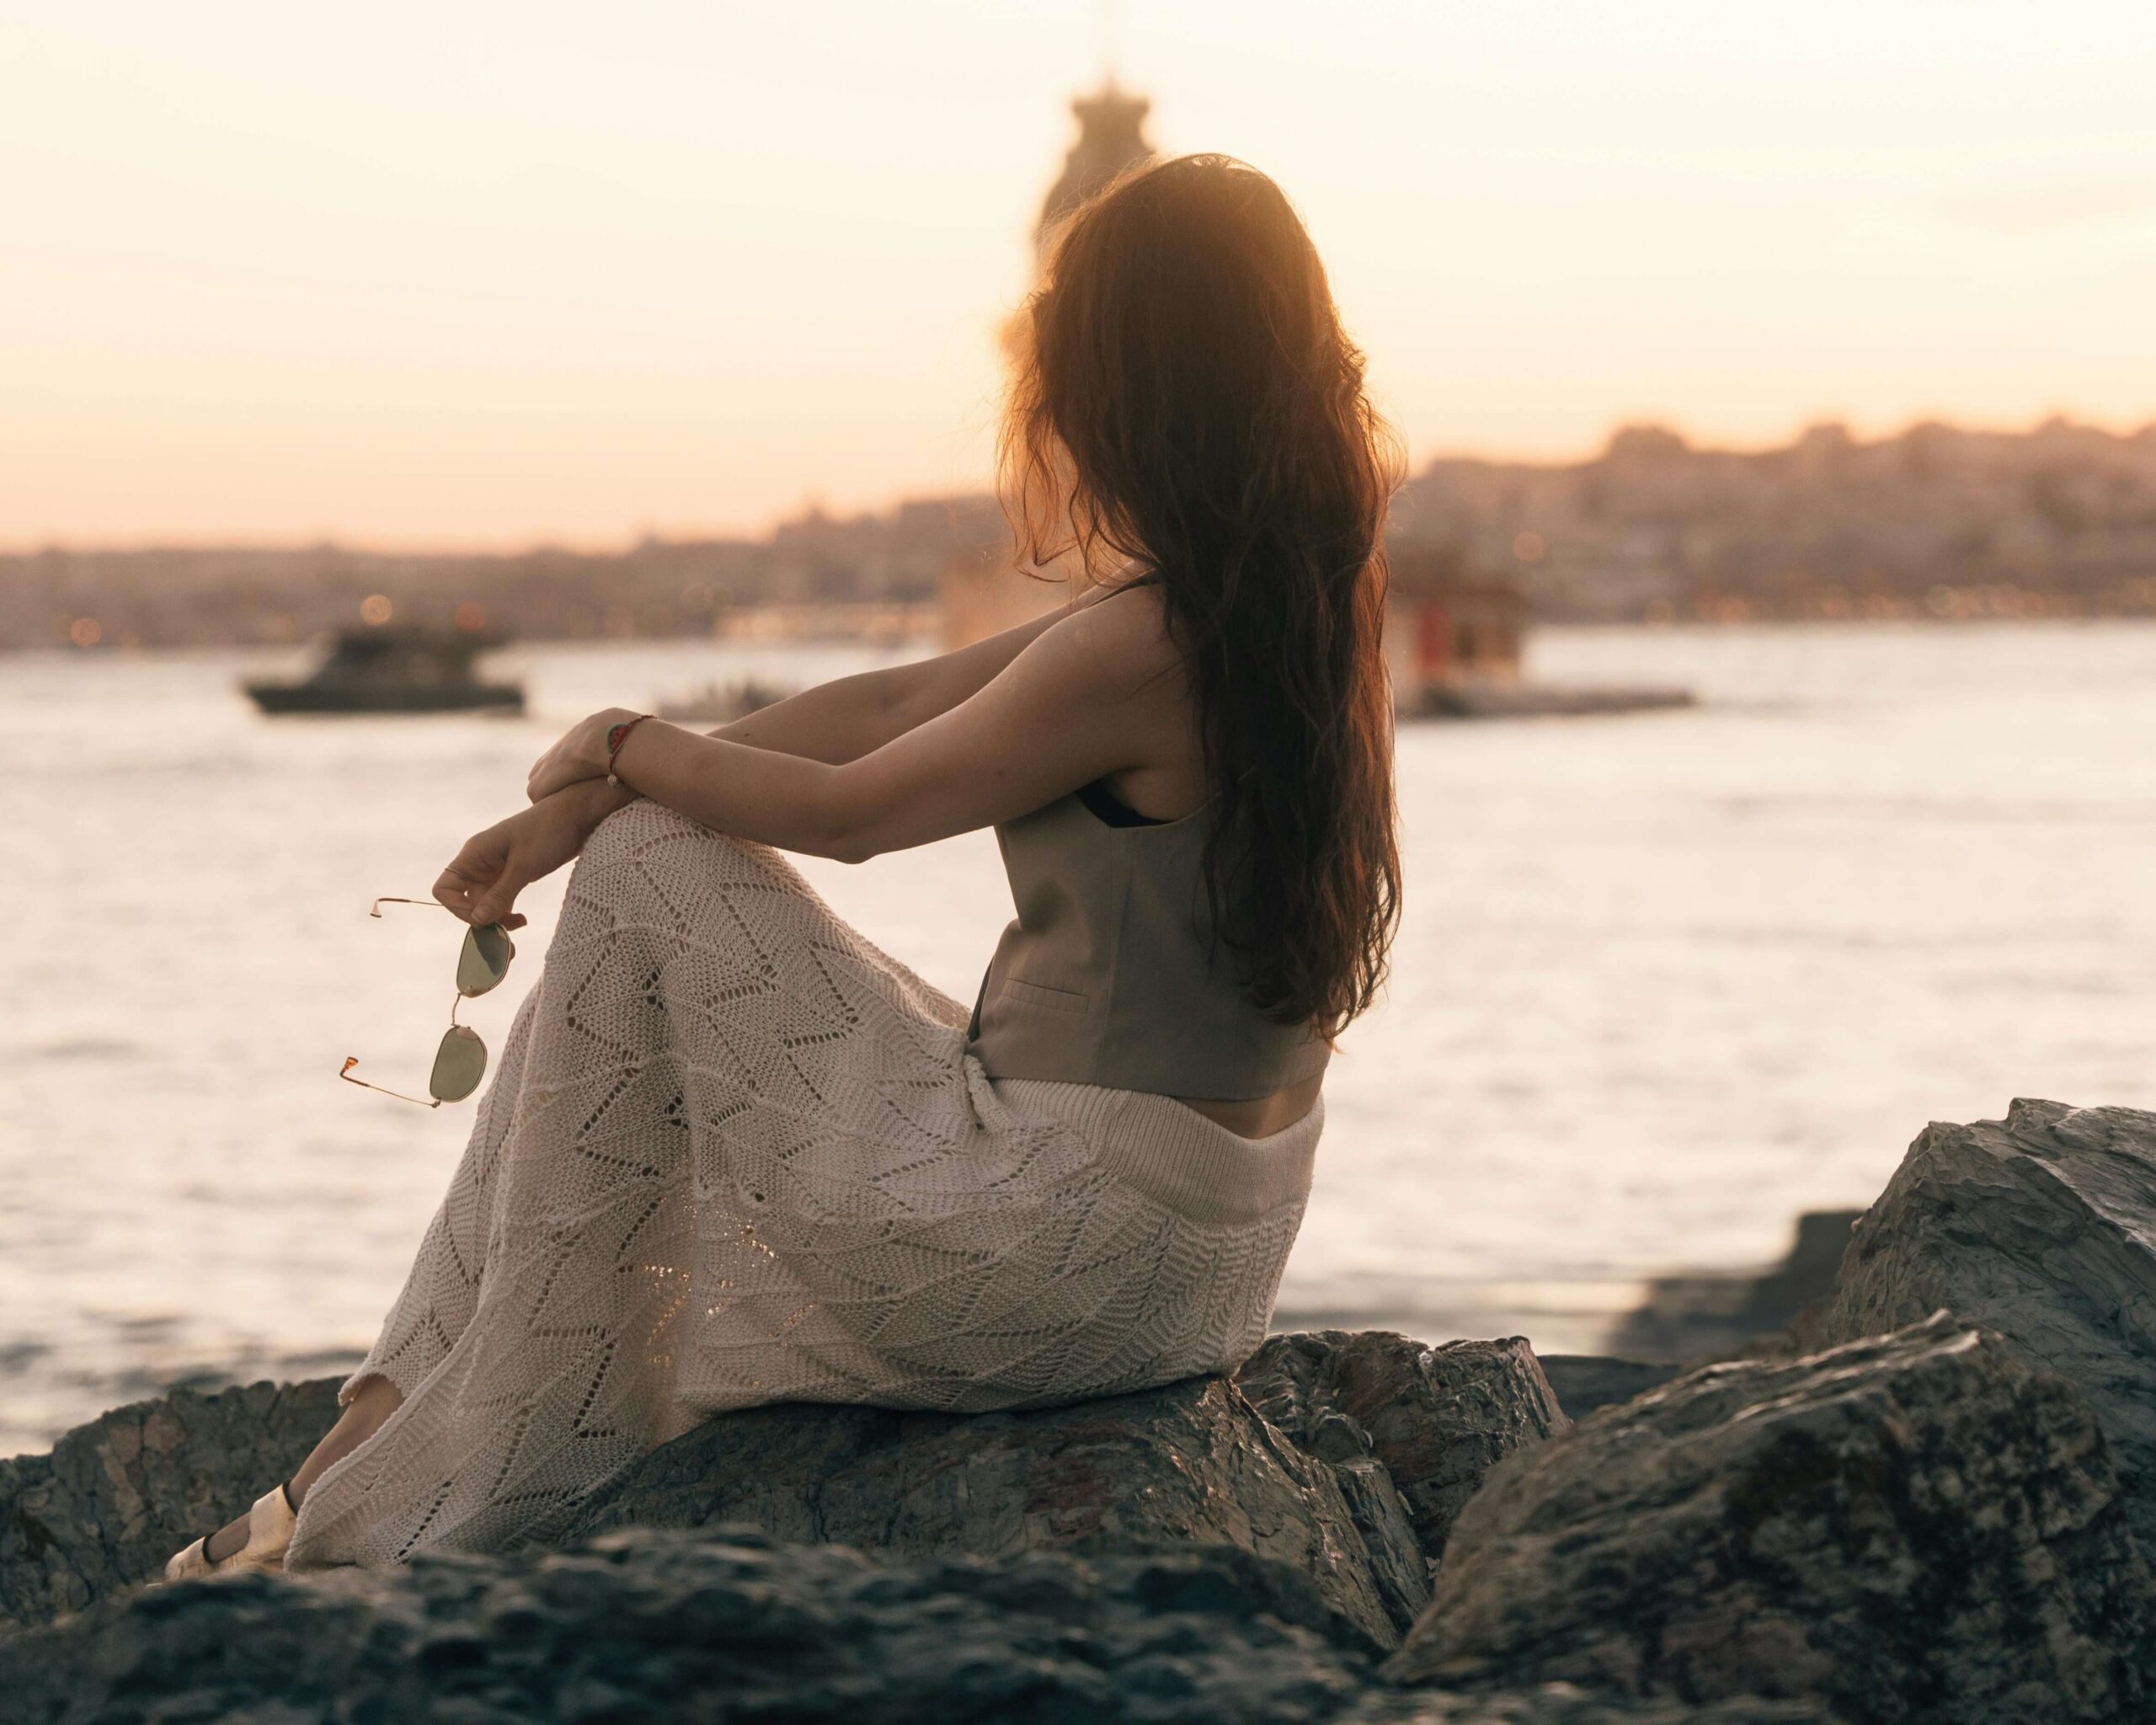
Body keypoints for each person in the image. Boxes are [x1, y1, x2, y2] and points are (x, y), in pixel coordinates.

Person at [166, 152, 1401, 1578]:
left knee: (647, 880)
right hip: (1202, 1262)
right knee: (638, 866)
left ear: (1141, 389)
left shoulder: (1151, 642)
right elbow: (887, 707)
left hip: (1061, 1245)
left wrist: (621, 746)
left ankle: (376, 1484)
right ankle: (373, 1431)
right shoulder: (1292, 608)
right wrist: (585, 803)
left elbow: (860, 805)